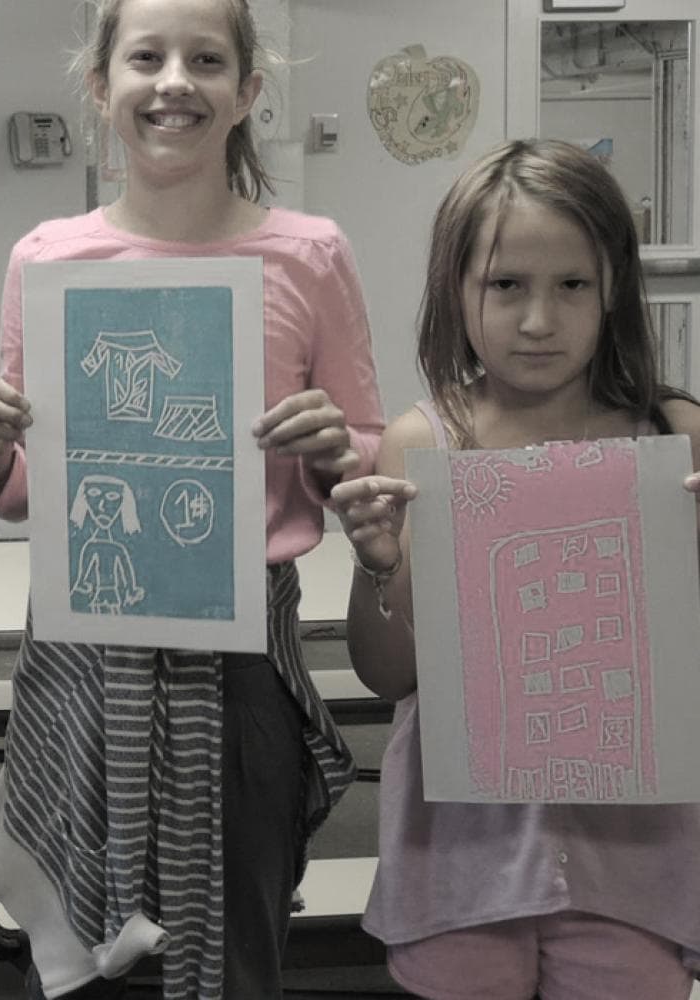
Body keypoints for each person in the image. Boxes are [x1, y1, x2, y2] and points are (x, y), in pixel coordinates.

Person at [0, 0, 385, 995]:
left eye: (206, 59)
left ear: (249, 92)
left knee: (237, 945)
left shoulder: (309, 252)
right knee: (85, 952)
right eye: (145, 57)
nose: (174, 80)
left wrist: (332, 448)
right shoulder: (47, 257)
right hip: (83, 654)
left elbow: (364, 444)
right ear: (101, 86)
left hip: (240, 664)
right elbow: (23, 492)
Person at [331, 138, 700, 1000]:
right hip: (463, 861)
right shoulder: (428, 444)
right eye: (506, 286)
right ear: (455, 292)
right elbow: (389, 676)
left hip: (633, 869)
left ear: (613, 289)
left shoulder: (671, 435)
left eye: (572, 285)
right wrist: (376, 566)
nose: (540, 320)